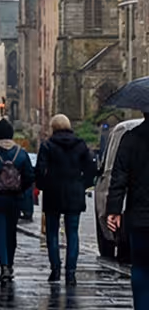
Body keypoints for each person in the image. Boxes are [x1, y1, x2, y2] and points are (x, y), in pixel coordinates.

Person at [36, 113, 98, 284]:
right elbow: (92, 168)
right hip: (74, 193)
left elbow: (40, 170)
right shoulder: (81, 145)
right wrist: (83, 183)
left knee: (52, 233)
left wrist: (43, 185)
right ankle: (71, 272)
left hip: (53, 193)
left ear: (53, 127)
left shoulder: (47, 145)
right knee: (72, 233)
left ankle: (55, 269)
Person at [0, 118, 36, 283]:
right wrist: (19, 188)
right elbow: (30, 176)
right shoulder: (21, 153)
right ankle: (10, 264)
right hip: (14, 200)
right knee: (11, 232)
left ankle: (3, 265)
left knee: (0, 232)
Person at [107, 113, 149, 310]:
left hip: (140, 216)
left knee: (141, 268)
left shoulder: (131, 138)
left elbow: (118, 176)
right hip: (139, 215)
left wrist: (113, 209)